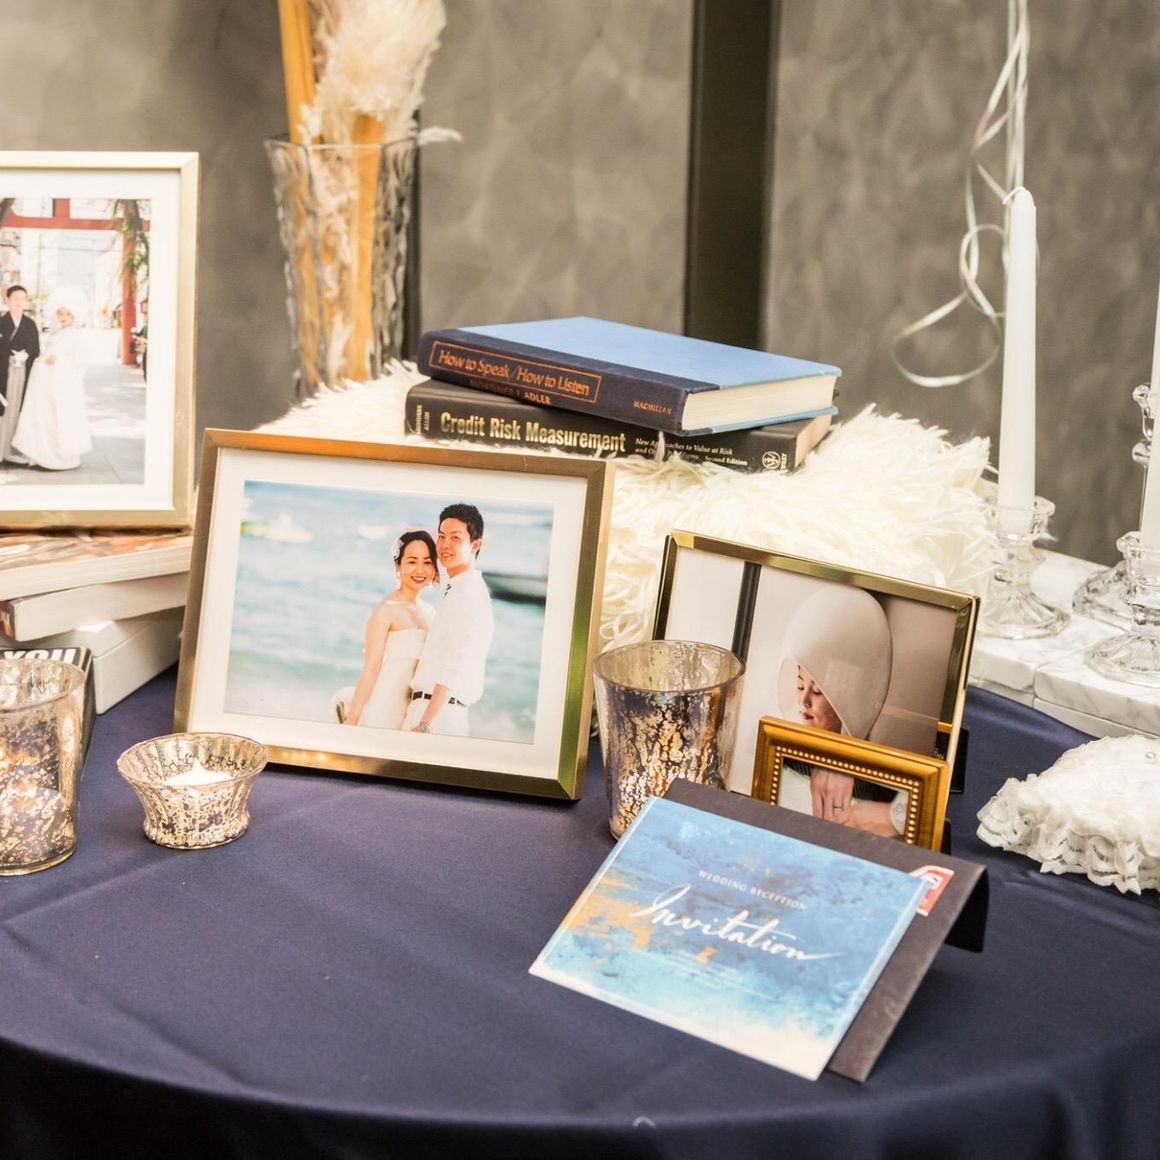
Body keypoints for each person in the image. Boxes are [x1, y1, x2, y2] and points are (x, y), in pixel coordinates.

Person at [775, 584, 906, 839]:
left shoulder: (880, 781)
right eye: (800, 685)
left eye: (818, 692)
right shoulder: (780, 756)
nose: (803, 701)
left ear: (850, 697)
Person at [403, 503, 495, 737]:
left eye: (455, 538)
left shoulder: (468, 595)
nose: (444, 545)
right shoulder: (459, 589)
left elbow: (455, 664)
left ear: (476, 544)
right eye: (441, 536)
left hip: (437, 718)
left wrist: (425, 723)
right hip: (432, 712)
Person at [344, 530, 440, 729]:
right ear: (398, 565)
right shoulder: (385, 610)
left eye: (427, 562)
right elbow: (371, 669)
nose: (420, 570)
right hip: (382, 708)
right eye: (412, 561)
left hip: (412, 713)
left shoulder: (431, 613)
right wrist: (352, 718)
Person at [11, 287, 93, 471]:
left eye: (67, 314)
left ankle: (62, 458)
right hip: (48, 382)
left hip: (63, 384)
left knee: (61, 418)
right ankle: (43, 455)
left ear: (74, 316)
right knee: (45, 417)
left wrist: (59, 360)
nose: (63, 317)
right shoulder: (55, 333)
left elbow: (80, 359)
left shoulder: (75, 334)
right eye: (60, 313)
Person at [0, 284, 41, 463]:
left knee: (19, 408)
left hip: (23, 371)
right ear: (7, 300)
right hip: (3, 371)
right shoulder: (1, 323)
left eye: (22, 299)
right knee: (4, 407)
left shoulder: (30, 324)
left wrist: (25, 355)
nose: (19, 302)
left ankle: (16, 450)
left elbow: (35, 349)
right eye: (15, 298)